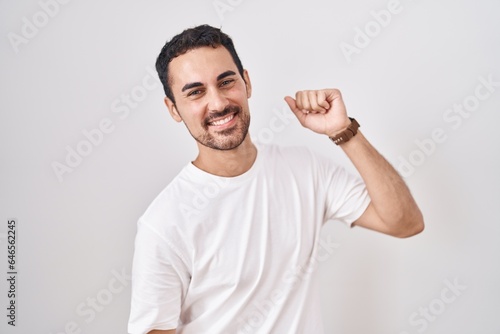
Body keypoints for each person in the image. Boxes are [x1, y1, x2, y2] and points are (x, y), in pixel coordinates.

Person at [127, 24, 424, 334]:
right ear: (173, 109)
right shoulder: (164, 222)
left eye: (226, 82)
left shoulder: (304, 169)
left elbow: (404, 222)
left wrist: (343, 131)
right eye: (196, 92)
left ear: (247, 83)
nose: (217, 103)